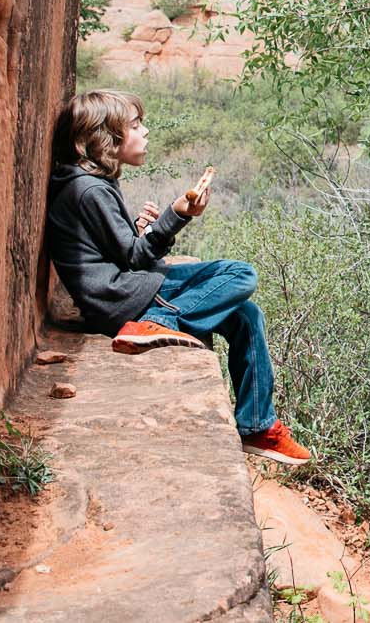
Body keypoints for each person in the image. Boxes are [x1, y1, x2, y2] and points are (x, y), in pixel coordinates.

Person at [46, 89, 312, 465]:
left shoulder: (88, 184)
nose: (146, 132)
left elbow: (123, 252)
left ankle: (257, 426)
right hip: (124, 298)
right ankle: (159, 322)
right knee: (241, 274)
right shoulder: (88, 190)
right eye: (136, 125)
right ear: (107, 139)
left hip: (126, 288)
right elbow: (137, 259)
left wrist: (141, 228)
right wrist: (176, 214)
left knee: (247, 315)